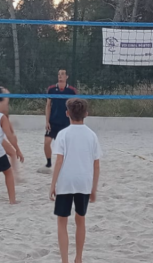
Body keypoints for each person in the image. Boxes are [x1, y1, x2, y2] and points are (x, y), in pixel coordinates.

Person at [48, 98, 101, 263]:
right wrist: (94, 189)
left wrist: (52, 185)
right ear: (86, 114)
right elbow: (96, 165)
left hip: (66, 182)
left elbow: (58, 161)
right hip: (83, 182)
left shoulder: (63, 134)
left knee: (62, 222)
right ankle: (78, 258)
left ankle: (65, 260)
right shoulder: (92, 135)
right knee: (80, 219)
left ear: (67, 113)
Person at [42, 69, 77, 173]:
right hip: (53, 121)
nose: (60, 76)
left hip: (66, 123)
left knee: (66, 146)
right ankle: (48, 163)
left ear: (67, 77)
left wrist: (73, 122)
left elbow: (74, 107)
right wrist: (47, 121)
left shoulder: (71, 90)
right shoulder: (52, 89)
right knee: (47, 142)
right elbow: (48, 105)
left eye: (62, 74)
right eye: (58, 74)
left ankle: (67, 164)